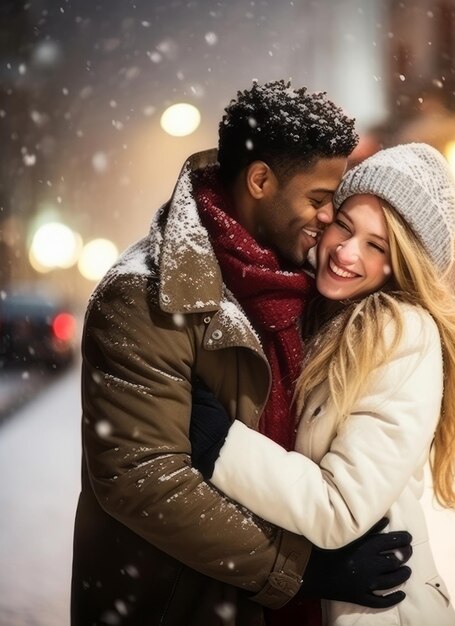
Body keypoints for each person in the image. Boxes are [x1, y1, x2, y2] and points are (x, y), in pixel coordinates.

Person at [70, 81, 414, 626]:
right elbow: (141, 477)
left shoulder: (308, 285)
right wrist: (298, 571)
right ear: (260, 181)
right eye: (320, 200)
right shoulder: (141, 295)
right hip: (180, 606)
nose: (330, 220)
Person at [189, 143, 455, 625]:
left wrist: (221, 444)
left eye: (377, 246)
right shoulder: (318, 314)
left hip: (376, 610)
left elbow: (339, 507)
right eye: (344, 226)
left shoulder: (398, 333)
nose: (347, 253)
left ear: (406, 264)